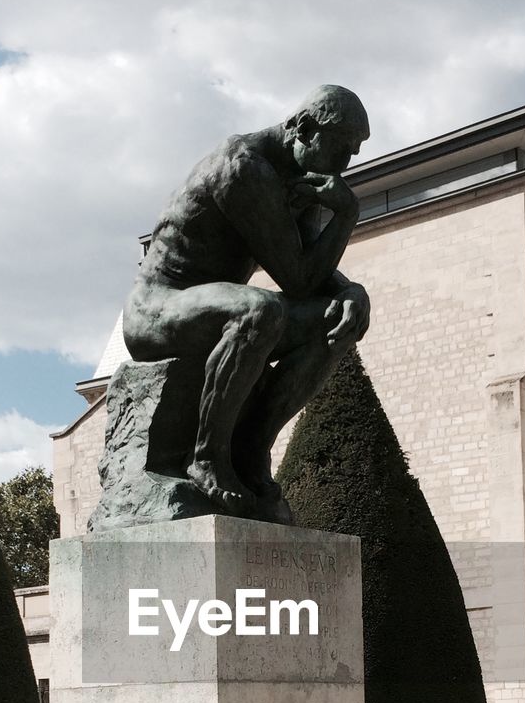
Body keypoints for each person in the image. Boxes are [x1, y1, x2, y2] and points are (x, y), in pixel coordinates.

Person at [122, 84, 371, 515]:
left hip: (218, 308)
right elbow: (297, 279)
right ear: (303, 128)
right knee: (260, 309)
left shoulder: (301, 181)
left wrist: (351, 292)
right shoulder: (242, 166)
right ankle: (207, 458)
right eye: (338, 148)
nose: (344, 165)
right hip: (158, 308)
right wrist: (346, 215)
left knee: (336, 320)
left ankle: (253, 448)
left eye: (353, 152)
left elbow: (314, 269)